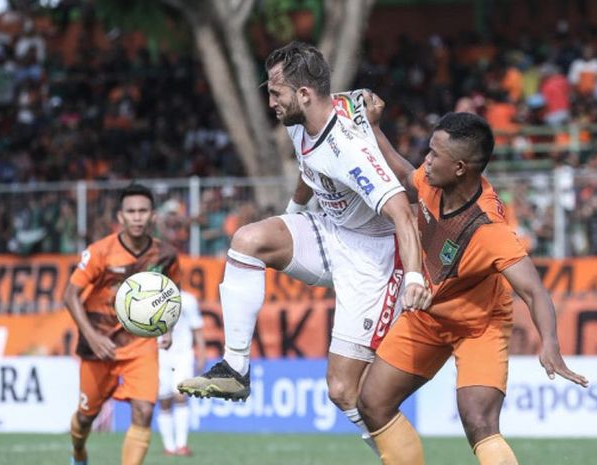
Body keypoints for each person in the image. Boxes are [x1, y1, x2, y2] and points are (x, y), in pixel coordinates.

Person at [178, 41, 431, 454]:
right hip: (332, 232)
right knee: (249, 241)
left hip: (376, 257)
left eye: (276, 93)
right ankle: (236, 369)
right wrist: (292, 215)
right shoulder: (302, 122)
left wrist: (416, 277)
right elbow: (308, 167)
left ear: (304, 94)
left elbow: (403, 211)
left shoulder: (348, 149)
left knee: (345, 391)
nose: (271, 102)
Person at [356, 94, 589, 465]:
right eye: (429, 150)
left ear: (461, 167)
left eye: (434, 154)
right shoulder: (433, 182)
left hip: (479, 325)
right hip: (428, 316)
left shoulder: (489, 230)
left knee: (478, 420)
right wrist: (373, 127)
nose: (426, 160)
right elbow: (403, 173)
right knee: (372, 403)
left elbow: (534, 290)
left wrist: (550, 344)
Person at [64, 183, 181, 465]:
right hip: (99, 346)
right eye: (131, 212)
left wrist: (167, 328)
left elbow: (170, 294)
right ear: (121, 217)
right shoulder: (100, 252)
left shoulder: (166, 255)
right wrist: (92, 337)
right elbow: (70, 296)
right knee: (85, 417)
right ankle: (79, 452)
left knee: (143, 412)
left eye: (143, 211)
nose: (137, 217)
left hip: (139, 346)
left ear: (153, 215)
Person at [157, 290, 206, 456]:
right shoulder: (151, 298)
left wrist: (202, 353)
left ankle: (181, 445)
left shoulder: (188, 300)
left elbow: (197, 328)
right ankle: (169, 447)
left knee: (180, 396)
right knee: (164, 401)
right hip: (160, 354)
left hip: (183, 355)